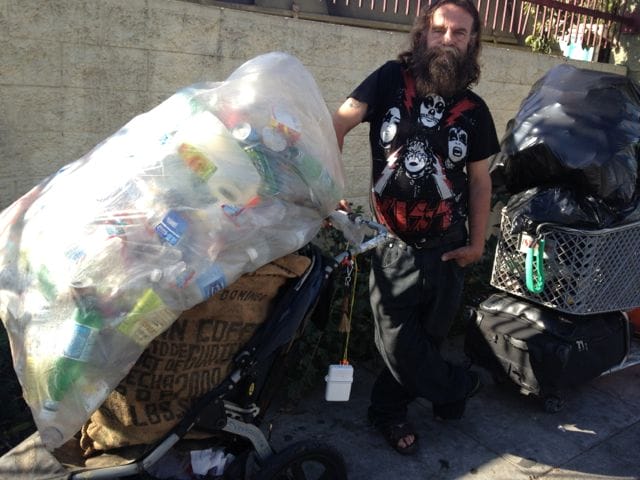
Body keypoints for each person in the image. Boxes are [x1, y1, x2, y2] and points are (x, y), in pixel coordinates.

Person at [332, 0, 500, 455]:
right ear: (423, 33)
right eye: (441, 29)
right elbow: (338, 123)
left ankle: (388, 411)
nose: (448, 39)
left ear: (472, 43)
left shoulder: (475, 110)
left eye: (460, 33)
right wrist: (328, 186)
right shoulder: (389, 79)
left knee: (427, 337)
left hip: (449, 246)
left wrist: (477, 243)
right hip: (394, 244)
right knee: (399, 343)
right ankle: (457, 388)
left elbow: (480, 182)